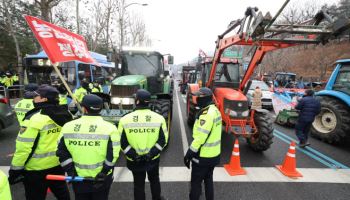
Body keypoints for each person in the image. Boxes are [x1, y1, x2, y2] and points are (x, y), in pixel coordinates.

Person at [9, 85, 72, 200]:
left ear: (44, 99)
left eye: (36, 96)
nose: (34, 98)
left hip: (36, 169)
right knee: (63, 195)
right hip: (58, 164)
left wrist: (15, 170)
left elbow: (23, 148)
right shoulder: (66, 114)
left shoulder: (34, 119)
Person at [57, 94, 120, 200]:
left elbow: (61, 152)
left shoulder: (68, 127)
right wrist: (104, 172)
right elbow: (113, 153)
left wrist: (71, 171)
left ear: (84, 108)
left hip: (78, 177)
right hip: (102, 179)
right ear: (101, 108)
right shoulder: (110, 128)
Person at [118, 89, 168, 200]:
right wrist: (151, 154)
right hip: (153, 159)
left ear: (136, 101)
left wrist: (133, 155)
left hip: (134, 160)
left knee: (138, 184)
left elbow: (121, 142)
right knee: (154, 180)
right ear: (148, 102)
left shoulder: (124, 119)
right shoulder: (159, 118)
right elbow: (163, 140)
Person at [184, 87, 222, 200]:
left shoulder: (206, 115)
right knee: (208, 181)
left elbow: (200, 138)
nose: (196, 99)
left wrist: (189, 154)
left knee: (196, 183)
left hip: (202, 157)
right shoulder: (215, 110)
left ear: (205, 98)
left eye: (198, 97)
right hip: (214, 156)